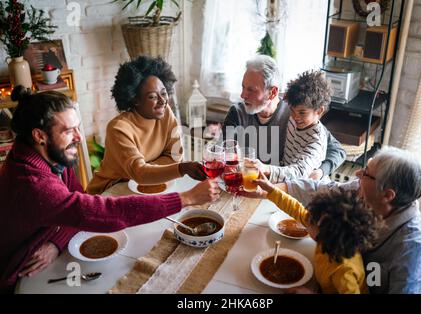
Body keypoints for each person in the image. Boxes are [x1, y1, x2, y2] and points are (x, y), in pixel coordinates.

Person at [0, 87, 220, 293]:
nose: (78, 138)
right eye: (69, 131)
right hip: (20, 273)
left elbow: (78, 207)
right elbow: (99, 212)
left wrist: (56, 242)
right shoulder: (32, 182)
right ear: (40, 136)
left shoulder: (51, 158)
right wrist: (187, 198)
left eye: (78, 127)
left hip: (51, 247)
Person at [242, 146, 421, 294]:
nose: (357, 173)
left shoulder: (414, 247)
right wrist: (271, 189)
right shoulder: (362, 191)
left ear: (388, 195)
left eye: (366, 174)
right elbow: (321, 190)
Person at [87, 56, 206, 195]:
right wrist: (180, 169)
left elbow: (175, 155)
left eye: (163, 93)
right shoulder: (118, 129)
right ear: (135, 99)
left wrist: (148, 171)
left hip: (147, 186)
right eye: (152, 97)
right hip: (111, 190)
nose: (162, 101)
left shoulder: (165, 113)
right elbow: (140, 174)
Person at [222, 55, 346, 180]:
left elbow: (337, 150)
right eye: (243, 87)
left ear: (273, 92)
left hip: (283, 188)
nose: (243, 95)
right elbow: (227, 158)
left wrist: (321, 171)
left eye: (251, 90)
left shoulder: (295, 114)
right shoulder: (236, 114)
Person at [254, 173, 382, 293]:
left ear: (326, 232)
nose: (306, 218)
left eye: (311, 219)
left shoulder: (344, 271)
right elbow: (296, 209)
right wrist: (271, 190)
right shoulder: (328, 235)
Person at [258, 70, 331, 183]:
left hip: (310, 191)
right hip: (288, 180)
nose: (295, 117)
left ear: (319, 111)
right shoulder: (294, 117)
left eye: (302, 113)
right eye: (292, 110)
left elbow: (299, 173)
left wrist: (266, 168)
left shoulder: (316, 141)